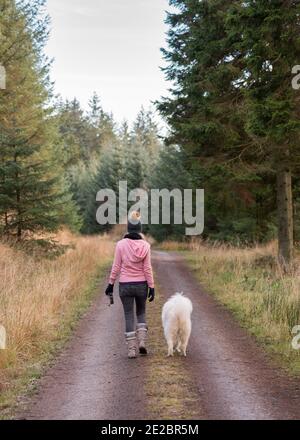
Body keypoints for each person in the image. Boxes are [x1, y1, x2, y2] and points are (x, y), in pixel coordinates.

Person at [105, 211, 155, 359]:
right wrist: (151, 286)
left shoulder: (120, 245)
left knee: (128, 315)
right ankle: (142, 342)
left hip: (125, 285)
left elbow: (116, 266)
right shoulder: (146, 246)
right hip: (141, 285)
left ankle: (132, 350)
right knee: (141, 312)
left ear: (128, 229)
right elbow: (147, 268)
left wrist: (110, 284)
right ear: (139, 229)